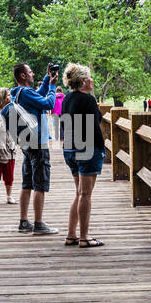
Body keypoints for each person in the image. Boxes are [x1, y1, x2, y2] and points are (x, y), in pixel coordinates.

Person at [11, 61, 58, 234]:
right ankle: (39, 224)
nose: (32, 74)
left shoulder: (18, 93)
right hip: (38, 143)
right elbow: (48, 104)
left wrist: (47, 79)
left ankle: (24, 222)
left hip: (27, 142)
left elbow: (38, 96)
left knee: (27, 183)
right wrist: (52, 87)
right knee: (40, 184)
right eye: (30, 72)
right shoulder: (26, 92)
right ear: (23, 76)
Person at [60, 63, 104, 247]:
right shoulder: (88, 100)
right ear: (84, 81)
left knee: (79, 193)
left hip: (70, 149)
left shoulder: (67, 98)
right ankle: (84, 237)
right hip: (86, 150)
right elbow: (96, 123)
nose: (92, 80)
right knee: (85, 194)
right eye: (90, 77)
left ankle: (71, 234)